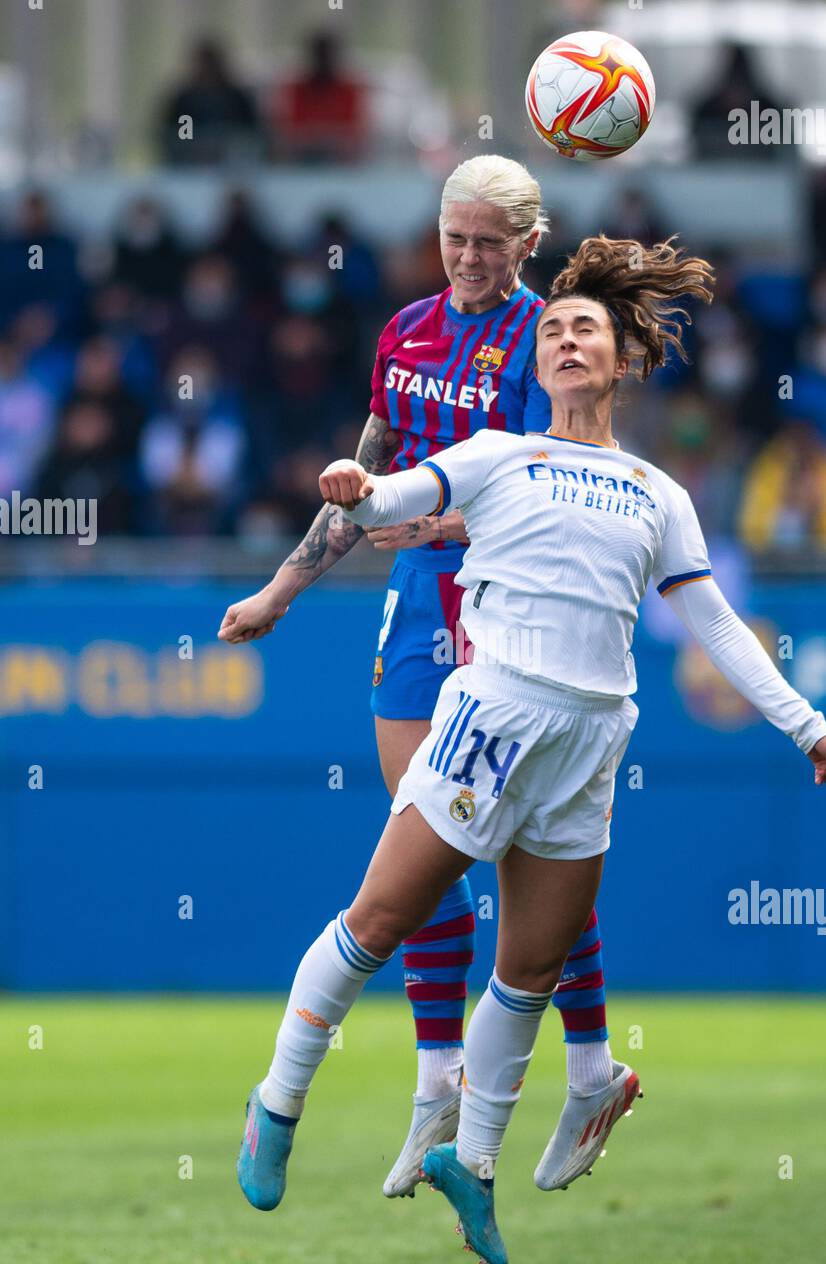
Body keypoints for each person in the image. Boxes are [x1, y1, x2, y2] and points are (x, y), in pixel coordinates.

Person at [235, 234, 826, 1264]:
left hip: (594, 736)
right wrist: (355, 486)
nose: (567, 340)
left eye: (588, 332)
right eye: (556, 329)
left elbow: (711, 627)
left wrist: (805, 724)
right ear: (536, 358)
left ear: (620, 363)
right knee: (381, 918)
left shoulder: (658, 494)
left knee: (527, 972)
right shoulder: (495, 457)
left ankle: (470, 1169)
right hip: (489, 718)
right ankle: (277, 1098)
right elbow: (396, 496)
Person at [219, 157, 633, 1199]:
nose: (467, 255)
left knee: (531, 853)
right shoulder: (403, 332)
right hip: (418, 604)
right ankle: (435, 1081)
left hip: (520, 609)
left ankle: (584, 1068)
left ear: (526, 243)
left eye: (489, 239)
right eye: (454, 235)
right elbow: (363, 476)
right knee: (421, 843)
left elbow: (549, 484)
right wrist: (280, 587)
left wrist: (422, 517)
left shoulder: (547, 339)